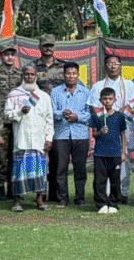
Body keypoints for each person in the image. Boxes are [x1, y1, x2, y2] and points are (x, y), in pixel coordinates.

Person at [87, 54, 134, 205]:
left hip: (124, 126)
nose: (113, 66)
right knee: (105, 162)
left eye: (116, 63)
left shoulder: (129, 85)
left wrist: (119, 113)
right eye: (110, 63)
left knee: (124, 161)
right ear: (105, 66)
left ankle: (123, 193)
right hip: (105, 127)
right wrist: (107, 116)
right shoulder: (98, 86)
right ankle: (106, 194)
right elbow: (93, 107)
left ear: (120, 66)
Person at [5, 65, 53, 212]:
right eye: (27, 74)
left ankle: (39, 200)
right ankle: (17, 202)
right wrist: (20, 112)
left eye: (32, 74)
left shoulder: (44, 96)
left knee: (40, 172)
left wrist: (49, 138)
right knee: (19, 172)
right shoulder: (14, 94)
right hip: (22, 140)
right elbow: (7, 115)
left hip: (39, 141)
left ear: (36, 76)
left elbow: (49, 119)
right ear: (23, 76)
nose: (29, 77)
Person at [50, 62, 90, 208]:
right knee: (61, 168)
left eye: (74, 73)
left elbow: (90, 114)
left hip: (80, 135)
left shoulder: (86, 92)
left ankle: (80, 198)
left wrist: (77, 117)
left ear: (78, 75)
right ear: (64, 75)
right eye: (68, 73)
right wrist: (62, 113)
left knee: (80, 168)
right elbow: (51, 112)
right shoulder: (55, 92)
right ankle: (62, 198)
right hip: (61, 135)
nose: (71, 76)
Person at [0, 45, 22, 201]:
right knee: (1, 158)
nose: (10, 57)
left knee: (15, 156)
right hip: (1, 122)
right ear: (0, 55)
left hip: (17, 121)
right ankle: (0, 188)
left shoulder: (20, 74)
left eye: (12, 54)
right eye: (6, 54)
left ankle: (13, 189)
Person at [90, 87, 127, 214]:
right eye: (105, 99)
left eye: (110, 99)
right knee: (99, 180)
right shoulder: (97, 116)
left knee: (115, 179)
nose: (107, 101)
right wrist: (100, 132)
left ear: (115, 100)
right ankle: (101, 204)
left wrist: (124, 151)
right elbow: (94, 134)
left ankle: (114, 203)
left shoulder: (119, 116)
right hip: (100, 153)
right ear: (100, 100)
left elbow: (123, 134)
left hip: (115, 153)